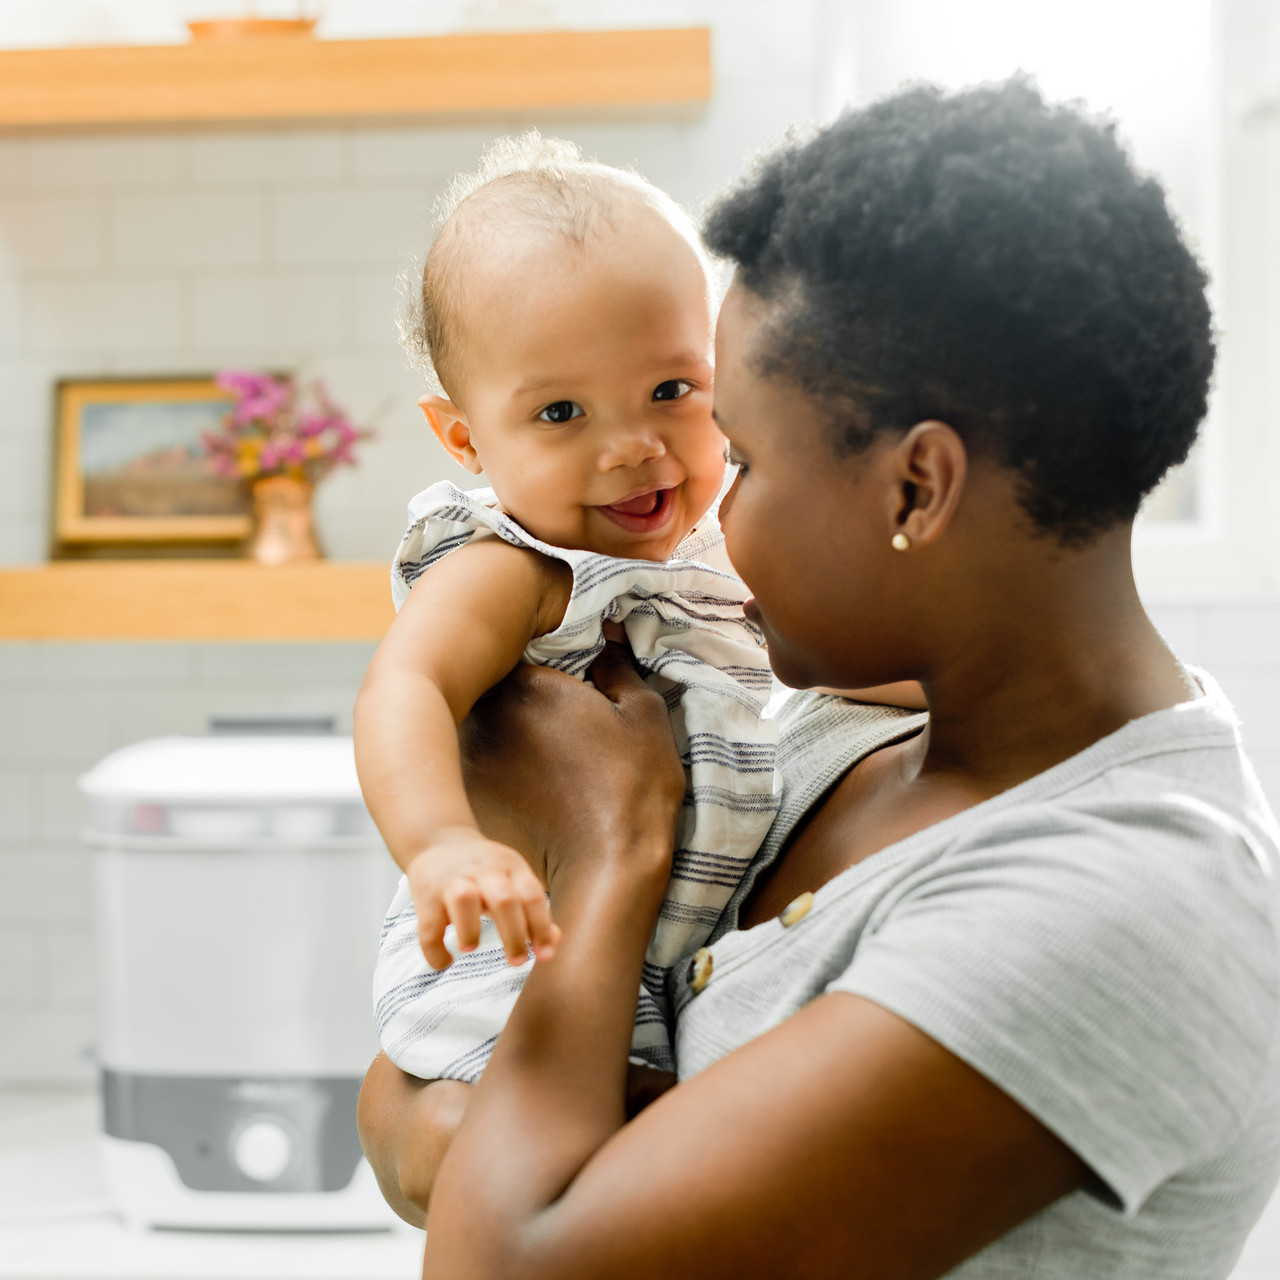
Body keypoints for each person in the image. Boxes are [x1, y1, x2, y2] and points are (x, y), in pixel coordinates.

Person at [358, 78, 1280, 1278]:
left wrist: (605, 851)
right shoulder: (837, 733)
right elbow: (404, 1119)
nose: (704, 510)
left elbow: (506, 1255)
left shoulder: (1118, 902)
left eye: (732, 448)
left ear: (913, 487)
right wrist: (423, 1119)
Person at [353, 134, 920, 1084]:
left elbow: (824, 656)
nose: (632, 446)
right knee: (519, 1152)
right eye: (562, 413)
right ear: (464, 439)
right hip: (513, 966)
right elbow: (404, 687)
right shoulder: (518, 565)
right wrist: (442, 844)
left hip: (663, 965)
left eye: (670, 391)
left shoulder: (714, 548)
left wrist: (946, 678)